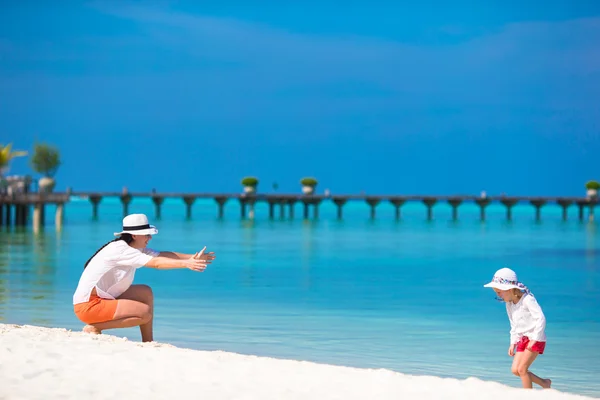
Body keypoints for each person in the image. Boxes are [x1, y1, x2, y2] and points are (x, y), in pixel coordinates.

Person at [72, 213, 215, 342]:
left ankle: (148, 342)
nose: (150, 237)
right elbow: (156, 263)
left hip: (101, 298)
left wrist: (193, 257)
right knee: (144, 313)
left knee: (145, 291)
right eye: (147, 234)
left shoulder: (132, 247)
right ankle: (95, 327)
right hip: (89, 306)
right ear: (134, 235)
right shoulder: (122, 250)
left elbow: (162, 255)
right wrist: (187, 264)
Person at [483, 268, 551, 389]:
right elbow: (514, 325)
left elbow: (540, 318)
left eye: (499, 292)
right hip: (522, 339)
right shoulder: (509, 304)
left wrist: (535, 339)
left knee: (522, 369)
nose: (497, 295)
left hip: (536, 337)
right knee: (515, 370)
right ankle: (544, 383)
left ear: (509, 289)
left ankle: (528, 395)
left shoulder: (527, 300)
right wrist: (513, 343)